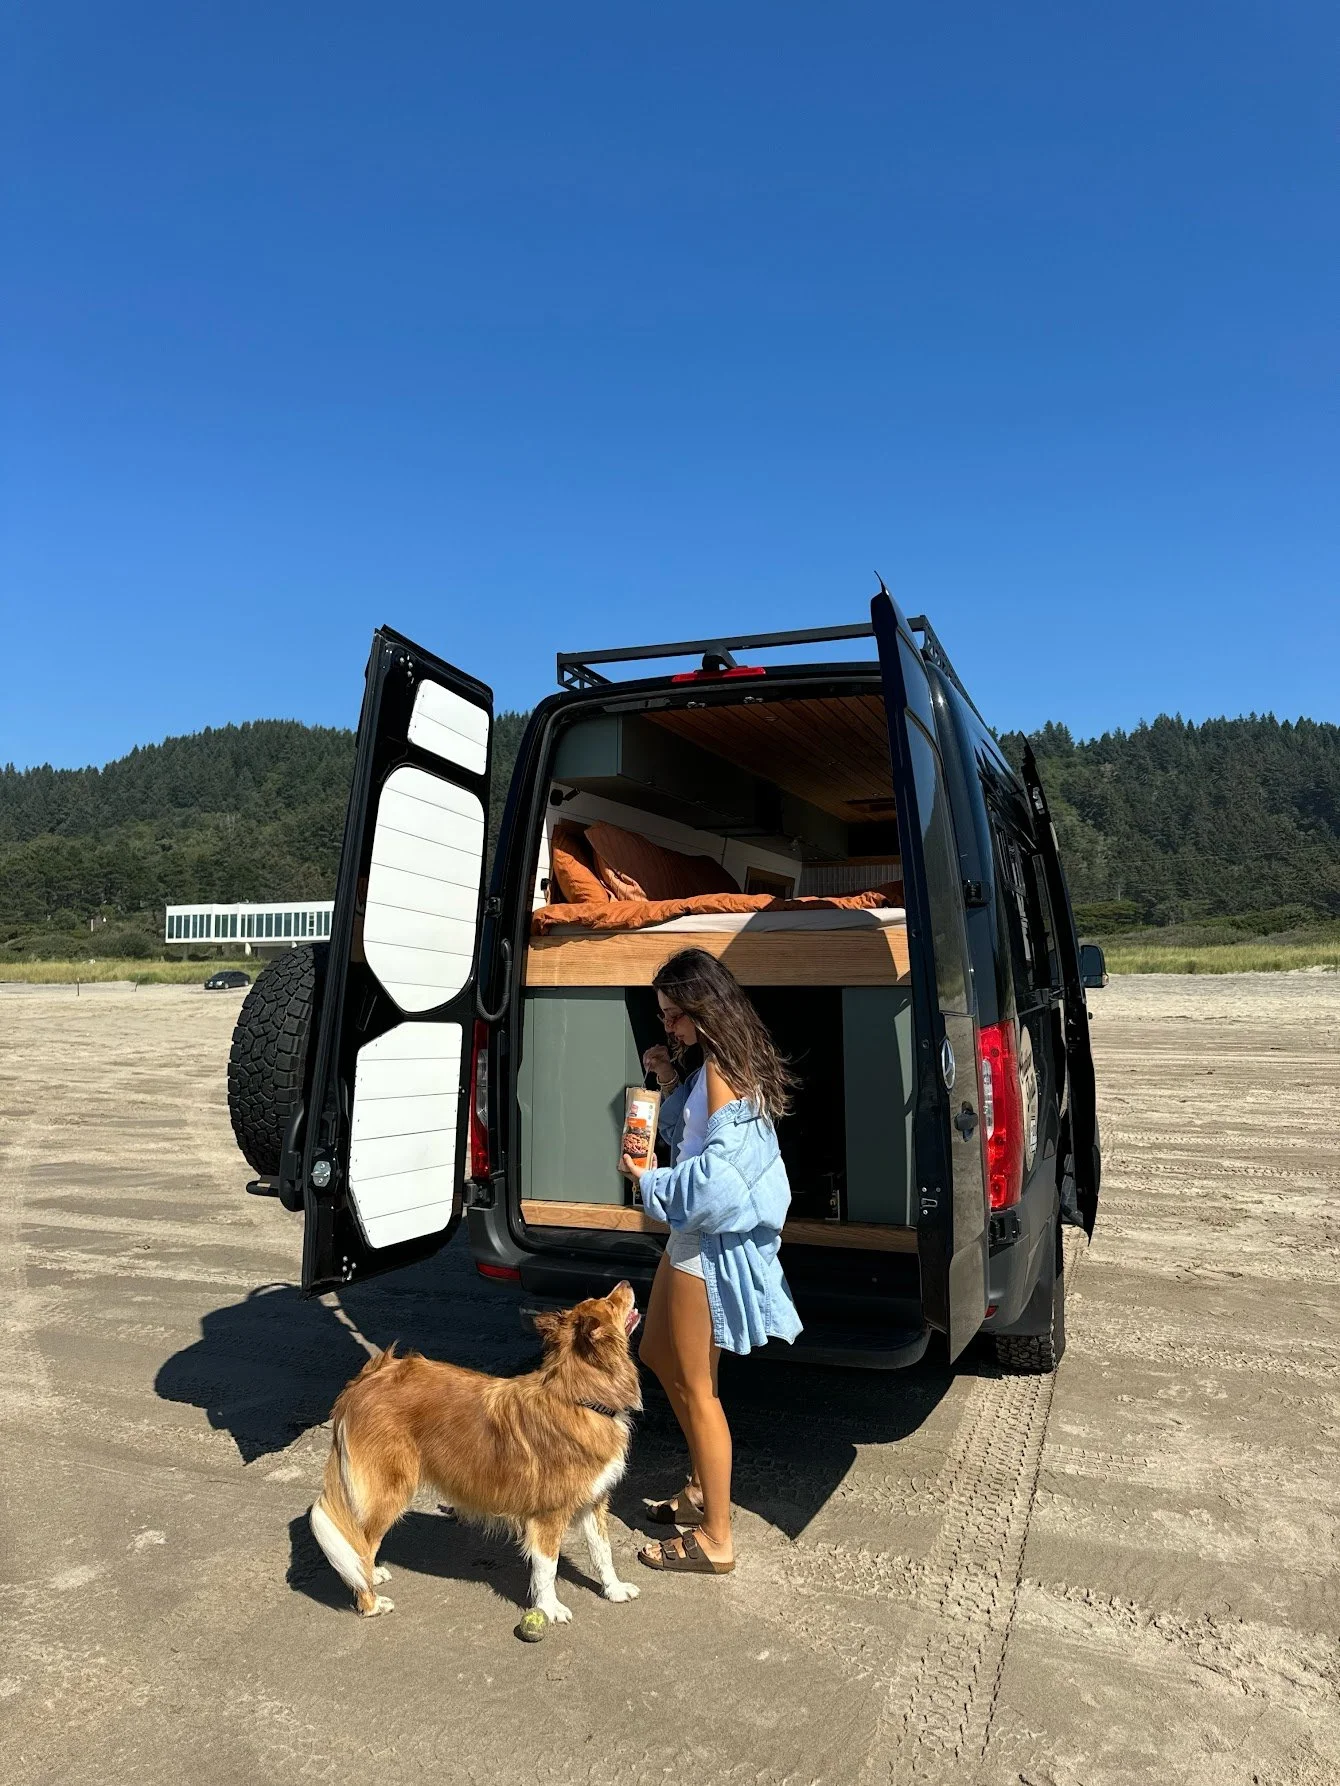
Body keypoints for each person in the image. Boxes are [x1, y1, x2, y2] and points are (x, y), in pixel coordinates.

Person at [620, 947, 802, 1575]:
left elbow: (718, 1185)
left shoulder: (725, 1072)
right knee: (655, 1355)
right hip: (689, 1238)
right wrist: (670, 1081)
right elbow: (693, 1136)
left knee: (698, 1387)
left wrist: (649, 1184)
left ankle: (716, 1537)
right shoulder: (714, 1066)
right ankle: (700, 1483)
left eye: (673, 1015)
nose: (666, 1026)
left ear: (700, 1009)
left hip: (705, 1245)